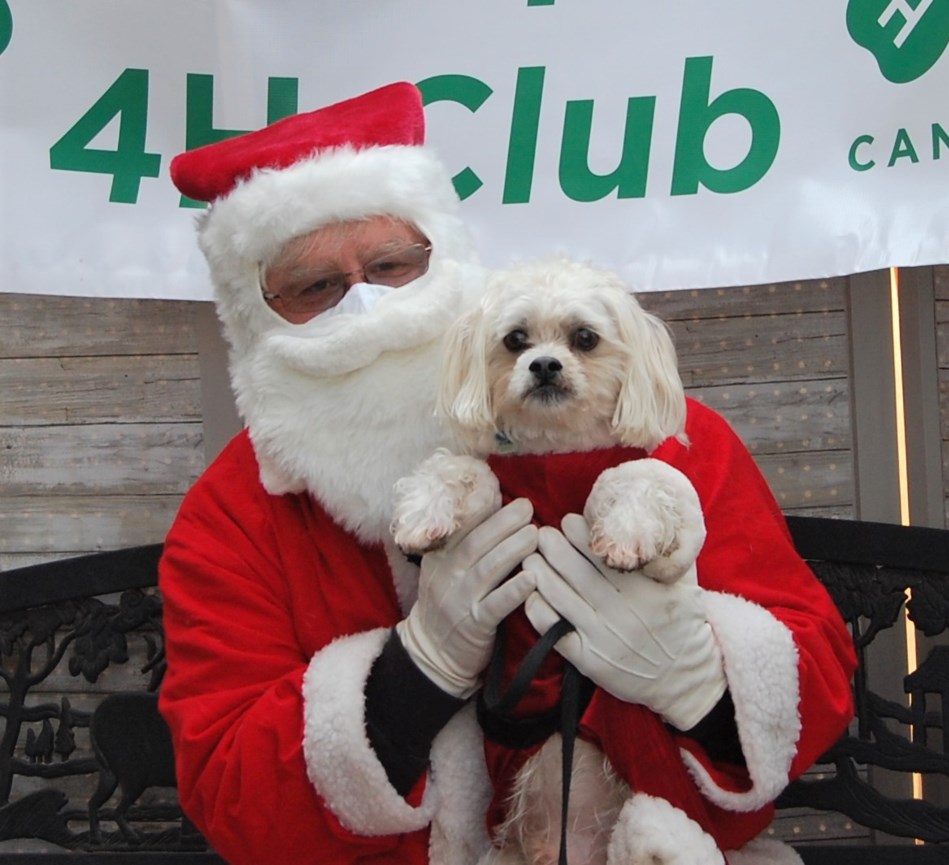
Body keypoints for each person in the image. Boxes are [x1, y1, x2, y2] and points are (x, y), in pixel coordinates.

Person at [159, 81, 856, 865]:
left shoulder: (662, 441)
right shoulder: (233, 512)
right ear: (257, 314)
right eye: (314, 286)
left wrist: (696, 677)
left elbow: (816, 675)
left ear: (445, 260)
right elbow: (230, 791)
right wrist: (410, 676)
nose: (364, 307)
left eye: (392, 263)